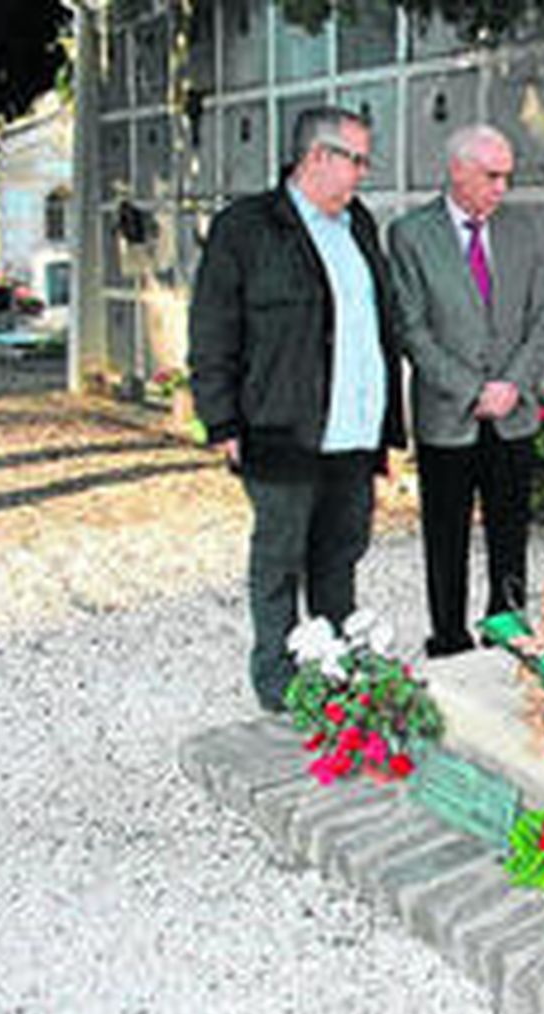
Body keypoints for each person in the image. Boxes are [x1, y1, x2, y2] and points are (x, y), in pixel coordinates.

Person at [188, 105, 406, 711]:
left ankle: (334, 663)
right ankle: (278, 680)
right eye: (356, 160)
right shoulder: (249, 227)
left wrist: (386, 427)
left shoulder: (358, 224)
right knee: (280, 560)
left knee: (340, 555)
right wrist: (222, 419)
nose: (364, 173)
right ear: (317, 157)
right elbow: (212, 327)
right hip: (282, 427)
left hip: (354, 432)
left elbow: (374, 328)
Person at [388, 123, 544, 657]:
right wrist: (471, 390)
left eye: (507, 176)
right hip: (448, 416)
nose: (502, 188)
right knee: (446, 536)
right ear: (458, 170)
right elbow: (411, 329)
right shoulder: (411, 235)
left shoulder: (523, 231)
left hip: (512, 412)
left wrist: (512, 383)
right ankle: (449, 639)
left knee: (511, 533)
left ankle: (505, 628)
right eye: (492, 176)